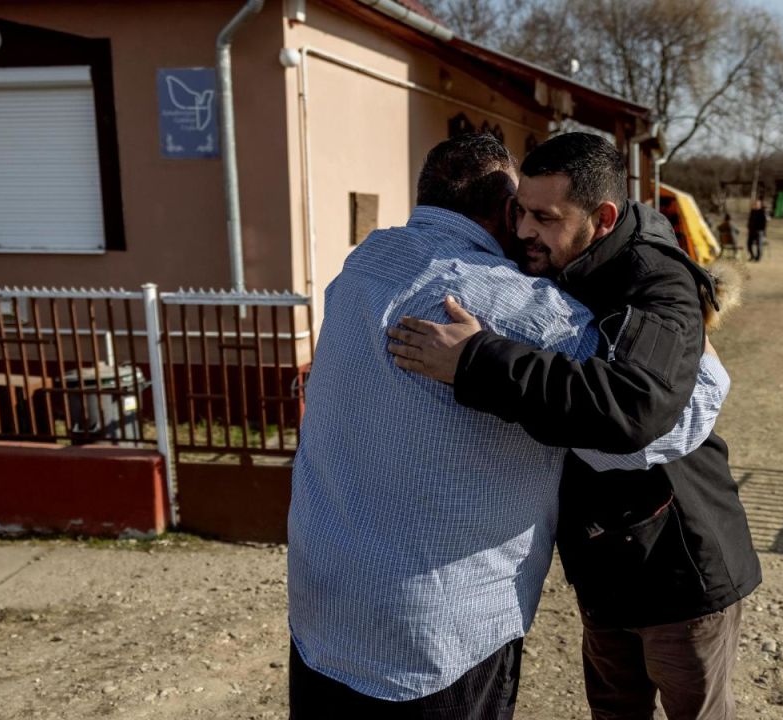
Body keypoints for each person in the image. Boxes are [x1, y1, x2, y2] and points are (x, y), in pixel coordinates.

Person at [287, 133, 729, 719]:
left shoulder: (363, 263)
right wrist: (690, 342)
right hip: (438, 635)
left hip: (322, 605)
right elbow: (671, 418)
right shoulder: (520, 306)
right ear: (505, 210)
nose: (526, 231)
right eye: (524, 211)